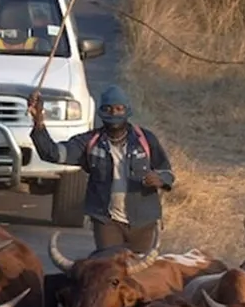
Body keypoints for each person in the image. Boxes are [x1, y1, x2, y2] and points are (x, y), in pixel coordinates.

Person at [29, 85, 175, 251]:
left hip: (143, 222)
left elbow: (167, 172)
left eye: (119, 109)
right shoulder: (90, 142)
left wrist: (160, 179)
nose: (114, 113)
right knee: (109, 268)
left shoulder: (146, 140)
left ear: (127, 111)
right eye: (108, 109)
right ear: (101, 112)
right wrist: (38, 121)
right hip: (107, 222)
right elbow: (54, 154)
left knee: (140, 272)